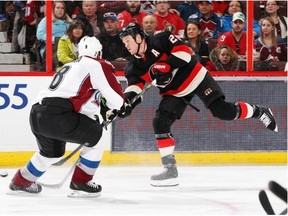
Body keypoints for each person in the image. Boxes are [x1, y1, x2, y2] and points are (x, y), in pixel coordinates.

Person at [118, 22, 278, 187]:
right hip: (175, 92)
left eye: (127, 40)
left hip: (196, 77)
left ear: (138, 37)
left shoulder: (161, 39)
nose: (126, 45)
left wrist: (168, 66)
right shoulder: (133, 67)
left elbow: (186, 53)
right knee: (160, 122)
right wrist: (126, 103)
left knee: (222, 111)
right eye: (124, 42)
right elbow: (134, 88)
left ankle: (260, 112)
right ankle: (170, 168)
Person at [9, 36, 125, 196]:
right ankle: (82, 182)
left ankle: (21, 180)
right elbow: (117, 100)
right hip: (59, 116)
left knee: (51, 153)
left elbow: (73, 97)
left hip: (37, 114)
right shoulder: (98, 64)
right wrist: (119, 107)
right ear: (98, 52)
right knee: (99, 137)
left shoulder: (71, 65)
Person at [36, 1, 72, 71]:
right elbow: (40, 35)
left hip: (66, 46)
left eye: (62, 8)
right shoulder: (46, 20)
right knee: (58, 54)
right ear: (53, 9)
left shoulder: (69, 22)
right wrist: (54, 40)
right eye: (58, 8)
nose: (60, 10)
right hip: (50, 47)